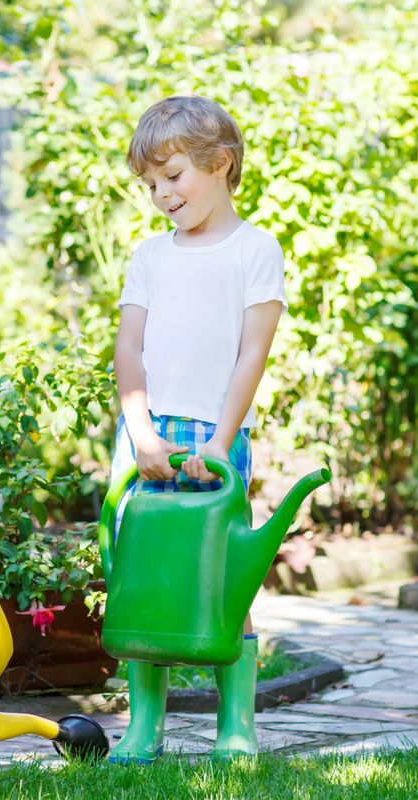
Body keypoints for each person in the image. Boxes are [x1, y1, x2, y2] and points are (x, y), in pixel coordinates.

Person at [110, 96, 287, 764]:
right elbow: (130, 350)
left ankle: (234, 723)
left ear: (222, 163)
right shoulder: (151, 256)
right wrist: (141, 433)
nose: (161, 194)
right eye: (150, 184)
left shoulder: (255, 249)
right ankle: (143, 725)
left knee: (222, 579)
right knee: (147, 576)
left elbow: (253, 353)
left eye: (174, 176)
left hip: (217, 440)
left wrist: (218, 440)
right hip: (151, 438)